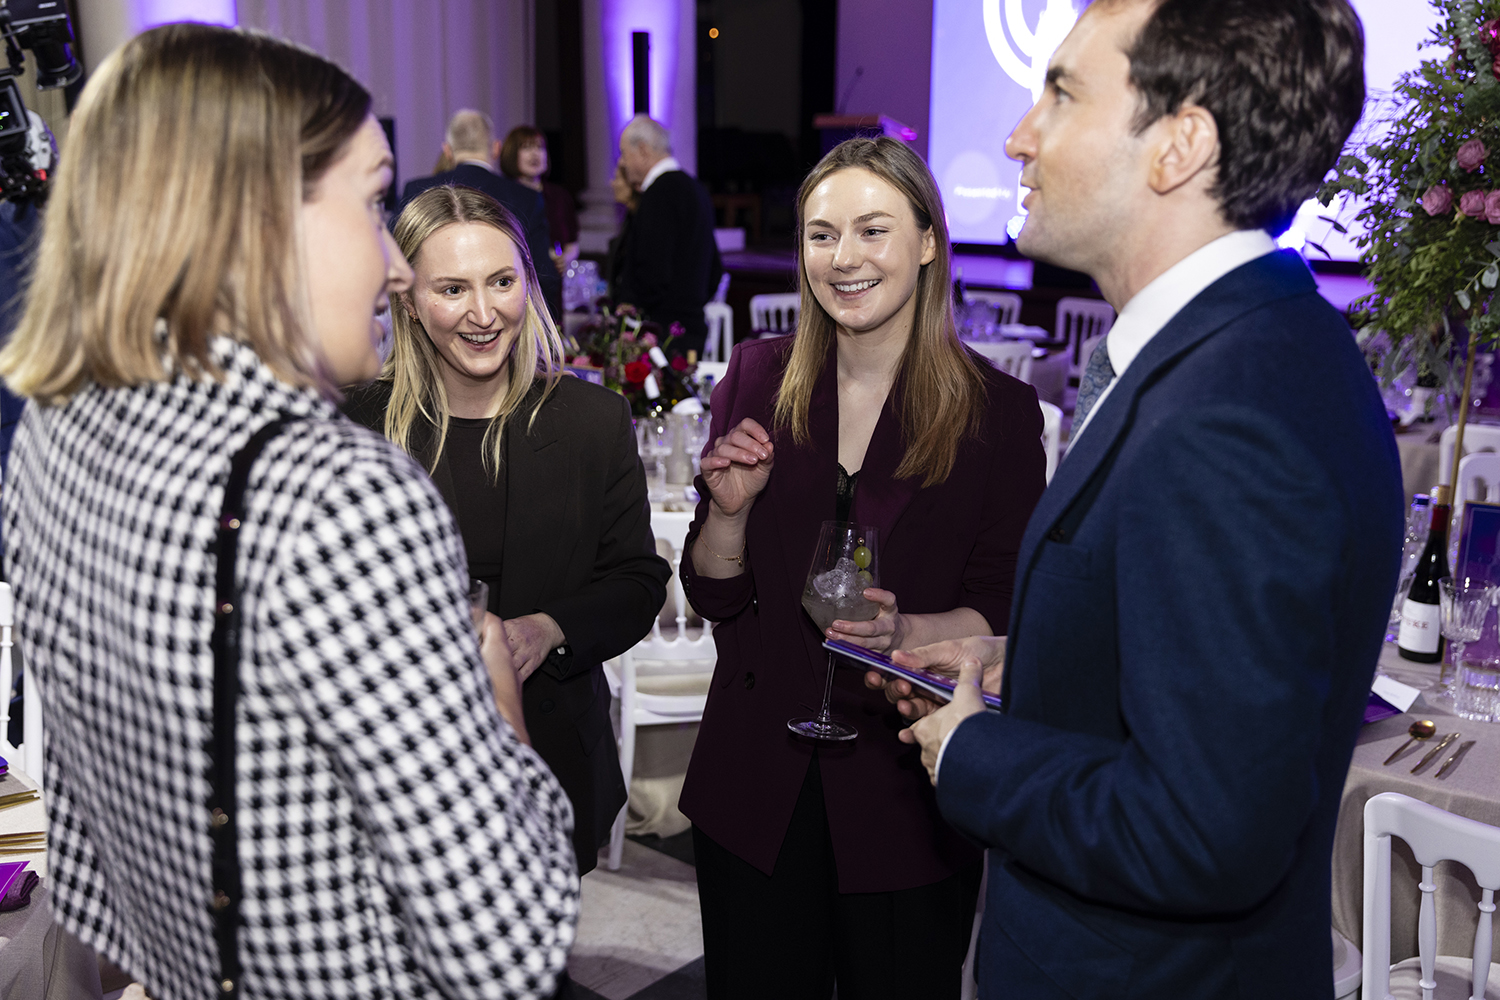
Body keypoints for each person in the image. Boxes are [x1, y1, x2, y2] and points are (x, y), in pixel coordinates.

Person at [0, 23, 578, 1000]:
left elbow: (98, 875)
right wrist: (499, 700)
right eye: (371, 200)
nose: (397, 268)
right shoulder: (340, 496)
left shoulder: (55, 438)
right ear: (256, 221)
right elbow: (506, 943)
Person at [877, 1, 1402, 996]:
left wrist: (974, 751)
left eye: (1062, 92)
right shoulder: (1250, 348)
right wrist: (1026, 662)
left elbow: (1205, 832)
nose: (1016, 134)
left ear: (1179, 144)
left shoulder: (1227, 415)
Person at [678, 136, 1047, 998]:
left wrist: (903, 633)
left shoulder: (998, 414)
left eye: (873, 231)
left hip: (903, 795)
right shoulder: (760, 376)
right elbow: (715, 593)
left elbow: (1001, 612)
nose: (844, 259)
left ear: (927, 241)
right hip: (753, 784)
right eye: (821, 234)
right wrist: (728, 515)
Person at [344, 185, 671, 877]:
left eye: (501, 281)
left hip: (551, 759)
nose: (484, 313)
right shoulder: (355, 428)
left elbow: (637, 582)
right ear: (406, 296)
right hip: (390, 779)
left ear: (530, 282)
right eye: (452, 289)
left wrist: (548, 628)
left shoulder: (591, 422)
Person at [400, 109, 562, 322]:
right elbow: (542, 276)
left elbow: (399, 268)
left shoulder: (416, 190)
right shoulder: (525, 198)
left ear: (447, 151)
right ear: (496, 149)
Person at [612, 114, 721, 357]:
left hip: (660, 336)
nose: (623, 163)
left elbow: (652, 271)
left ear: (642, 150)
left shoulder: (659, 193)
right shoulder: (696, 189)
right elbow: (715, 269)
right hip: (690, 329)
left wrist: (632, 311)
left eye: (624, 154)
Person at [500, 125, 580, 274]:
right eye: (527, 148)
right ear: (512, 154)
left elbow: (572, 243)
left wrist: (565, 258)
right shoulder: (504, 196)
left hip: (553, 278)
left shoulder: (559, 196)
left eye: (539, 147)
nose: (535, 154)